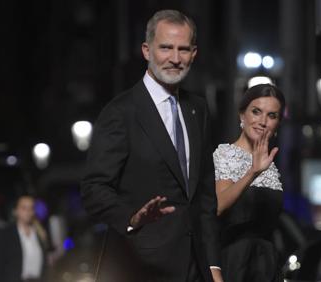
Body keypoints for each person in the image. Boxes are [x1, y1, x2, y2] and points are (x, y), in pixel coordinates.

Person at [81, 9, 223, 282]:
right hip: (140, 268)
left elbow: (205, 198)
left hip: (195, 270)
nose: (175, 58)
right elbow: (93, 189)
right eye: (166, 48)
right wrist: (132, 217)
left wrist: (213, 266)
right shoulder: (120, 112)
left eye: (183, 49)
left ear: (194, 53)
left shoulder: (198, 110)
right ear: (147, 51)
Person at [213, 84, 285, 282]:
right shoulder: (225, 153)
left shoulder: (271, 165)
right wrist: (251, 173)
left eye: (272, 115)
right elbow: (217, 207)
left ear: (278, 124)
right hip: (235, 262)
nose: (263, 121)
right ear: (242, 115)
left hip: (268, 263)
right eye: (256, 112)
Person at [0, 195, 48, 282]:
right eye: (24, 208)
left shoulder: (39, 232)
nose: (28, 211)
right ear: (16, 211)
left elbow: (45, 261)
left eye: (31, 208)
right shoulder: (6, 234)